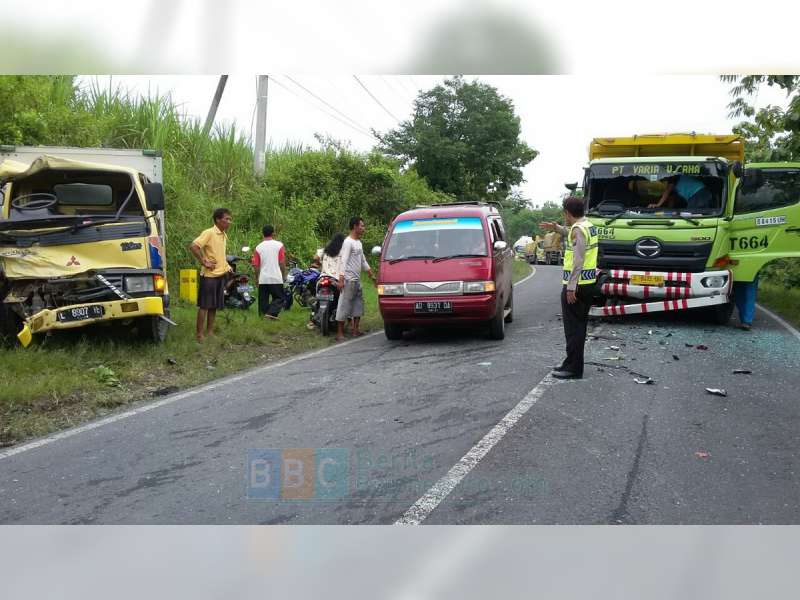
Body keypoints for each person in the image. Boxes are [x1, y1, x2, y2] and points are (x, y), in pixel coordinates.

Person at [541, 196, 599, 379]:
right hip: (587, 284)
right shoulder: (587, 225)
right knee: (578, 326)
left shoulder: (578, 230)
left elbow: (578, 260)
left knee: (573, 328)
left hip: (578, 286)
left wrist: (571, 288)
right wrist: (557, 228)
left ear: (567, 212)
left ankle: (573, 368)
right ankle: (571, 362)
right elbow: (572, 234)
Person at [189, 207, 233, 342]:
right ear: (218, 220)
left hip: (220, 275)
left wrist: (227, 266)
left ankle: (210, 332)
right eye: (226, 219)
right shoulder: (209, 232)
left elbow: (219, 254)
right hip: (209, 276)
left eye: (230, 219)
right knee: (205, 306)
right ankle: (199, 335)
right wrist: (204, 261)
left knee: (214, 306)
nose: (229, 222)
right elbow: (194, 246)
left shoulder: (223, 234)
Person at [336, 217, 375, 342]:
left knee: (358, 305)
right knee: (344, 305)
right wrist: (341, 279)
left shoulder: (358, 243)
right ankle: (340, 333)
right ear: (355, 227)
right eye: (362, 226)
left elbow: (363, 260)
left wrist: (371, 274)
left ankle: (355, 330)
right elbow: (344, 260)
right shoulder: (348, 242)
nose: (364, 228)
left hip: (357, 280)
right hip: (348, 279)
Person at [251, 224, 287, 320]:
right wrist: (284, 274)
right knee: (279, 298)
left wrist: (257, 278)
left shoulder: (258, 247)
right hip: (276, 277)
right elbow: (282, 262)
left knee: (263, 300)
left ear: (262, 234)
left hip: (263, 278)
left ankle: (263, 317)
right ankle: (271, 313)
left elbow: (256, 265)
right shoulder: (279, 245)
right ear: (273, 233)